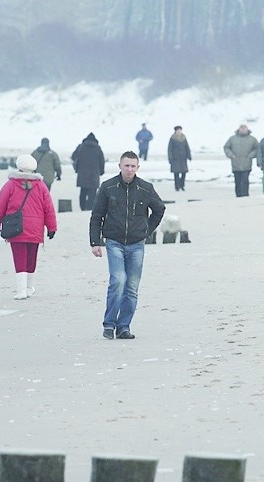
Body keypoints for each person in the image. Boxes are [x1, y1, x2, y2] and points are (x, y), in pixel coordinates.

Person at [89, 151, 165, 340]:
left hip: (136, 244)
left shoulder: (146, 188)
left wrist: (146, 230)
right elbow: (96, 215)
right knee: (118, 280)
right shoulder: (108, 187)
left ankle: (124, 326)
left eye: (133, 166)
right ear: (120, 166)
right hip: (114, 242)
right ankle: (108, 324)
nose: (129, 169)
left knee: (131, 287)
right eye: (126, 165)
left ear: (137, 167)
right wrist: (95, 242)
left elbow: (159, 209)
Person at [0, 154, 57, 300]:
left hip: (16, 227)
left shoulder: (10, 185)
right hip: (35, 228)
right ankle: (29, 287)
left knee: (19, 257)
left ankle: (21, 290)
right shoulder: (41, 186)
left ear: (19, 167)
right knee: (31, 258)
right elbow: (49, 208)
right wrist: (52, 227)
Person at [71, 132, 106, 211]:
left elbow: (73, 156)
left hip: (82, 173)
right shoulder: (98, 148)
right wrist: (101, 171)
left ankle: (83, 207)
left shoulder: (81, 147)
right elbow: (102, 161)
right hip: (94, 174)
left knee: (83, 191)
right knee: (93, 192)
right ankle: (90, 208)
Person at [223, 124, 259, 197]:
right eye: (241, 127)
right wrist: (231, 155)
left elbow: (257, 149)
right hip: (236, 164)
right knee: (237, 182)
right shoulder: (232, 138)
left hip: (247, 164)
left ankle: (245, 196)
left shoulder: (252, 139)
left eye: (244, 127)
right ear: (239, 129)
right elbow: (226, 147)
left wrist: (251, 155)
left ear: (247, 129)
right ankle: (238, 196)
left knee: (245, 181)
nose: (243, 129)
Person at [167, 125, 192, 191]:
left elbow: (187, 147)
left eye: (180, 130)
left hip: (183, 158)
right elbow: (170, 149)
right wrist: (170, 158)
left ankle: (182, 185)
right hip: (175, 158)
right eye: (177, 130)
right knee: (176, 173)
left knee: (184, 172)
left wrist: (189, 156)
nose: (179, 131)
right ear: (175, 131)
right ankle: (177, 187)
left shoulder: (183, 138)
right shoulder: (172, 138)